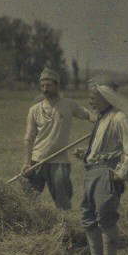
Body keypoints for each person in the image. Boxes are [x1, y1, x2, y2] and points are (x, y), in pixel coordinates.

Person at [77, 80, 128, 255]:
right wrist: (86, 154)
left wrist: (121, 173)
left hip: (107, 173)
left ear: (107, 97)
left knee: (105, 216)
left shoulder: (119, 118)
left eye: (93, 97)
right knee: (88, 216)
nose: (90, 102)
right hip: (91, 172)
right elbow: (102, 147)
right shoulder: (101, 118)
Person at [22, 67, 93, 210]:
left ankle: (66, 226)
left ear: (57, 85)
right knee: (28, 199)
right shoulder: (34, 110)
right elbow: (28, 138)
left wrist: (103, 119)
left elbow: (88, 115)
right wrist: (26, 163)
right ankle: (31, 225)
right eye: (42, 86)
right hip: (37, 160)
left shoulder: (68, 104)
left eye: (48, 85)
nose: (44, 89)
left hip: (59, 161)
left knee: (63, 200)